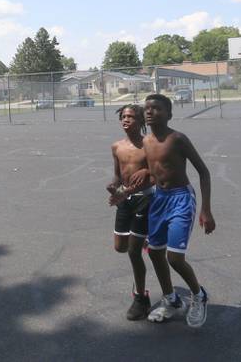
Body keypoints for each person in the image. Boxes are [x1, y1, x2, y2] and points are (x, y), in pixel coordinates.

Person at [142, 93, 215, 328]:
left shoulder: (178, 139)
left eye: (156, 108)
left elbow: (204, 172)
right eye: (147, 108)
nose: (150, 112)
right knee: (154, 253)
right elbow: (149, 174)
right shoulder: (145, 142)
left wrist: (206, 209)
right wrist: (123, 190)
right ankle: (171, 299)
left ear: (169, 114)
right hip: (158, 200)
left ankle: (198, 294)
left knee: (174, 257)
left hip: (181, 199)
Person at [107, 105, 153, 320]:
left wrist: (147, 170)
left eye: (131, 117)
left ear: (141, 121)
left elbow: (160, 173)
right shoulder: (116, 146)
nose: (126, 120)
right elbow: (118, 176)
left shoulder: (150, 145)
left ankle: (140, 297)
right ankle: (142, 240)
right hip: (124, 199)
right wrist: (113, 188)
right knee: (120, 247)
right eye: (123, 117)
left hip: (145, 198)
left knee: (133, 253)